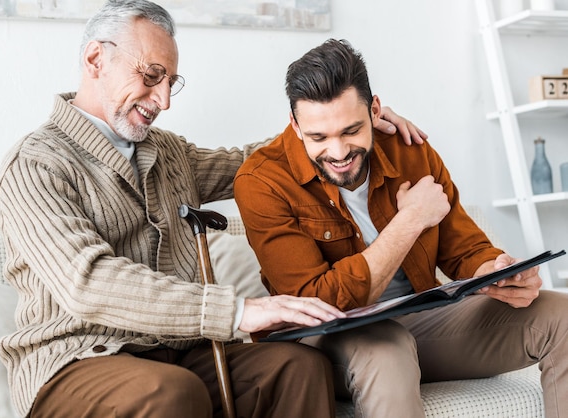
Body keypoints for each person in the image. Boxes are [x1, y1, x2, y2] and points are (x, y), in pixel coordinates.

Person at [0, 2, 425, 417]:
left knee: (296, 368)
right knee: (169, 393)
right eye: (151, 75)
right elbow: (87, 282)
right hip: (76, 362)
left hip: (177, 351)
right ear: (95, 59)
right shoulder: (35, 164)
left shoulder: (165, 152)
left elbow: (254, 164)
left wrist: (344, 130)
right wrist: (238, 311)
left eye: (170, 82)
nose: (163, 100)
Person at [234, 38, 568, 418]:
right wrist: (409, 221)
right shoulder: (262, 181)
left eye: (351, 131)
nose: (339, 152)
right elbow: (317, 301)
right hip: (319, 338)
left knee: (561, 315)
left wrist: (497, 272)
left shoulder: (408, 149)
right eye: (319, 137)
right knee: (387, 345)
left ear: (375, 110)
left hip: (417, 322)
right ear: (295, 125)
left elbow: (464, 249)